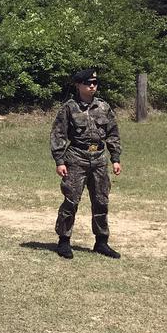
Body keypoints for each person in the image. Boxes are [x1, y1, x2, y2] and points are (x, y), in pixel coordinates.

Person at [49, 68, 123, 259]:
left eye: (95, 83)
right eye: (88, 83)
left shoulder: (104, 107)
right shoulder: (69, 108)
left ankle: (101, 242)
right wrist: (59, 161)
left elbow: (113, 133)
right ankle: (64, 241)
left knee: (101, 201)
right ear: (78, 85)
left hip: (99, 159)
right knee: (71, 200)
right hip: (76, 158)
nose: (92, 86)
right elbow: (58, 134)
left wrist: (115, 158)